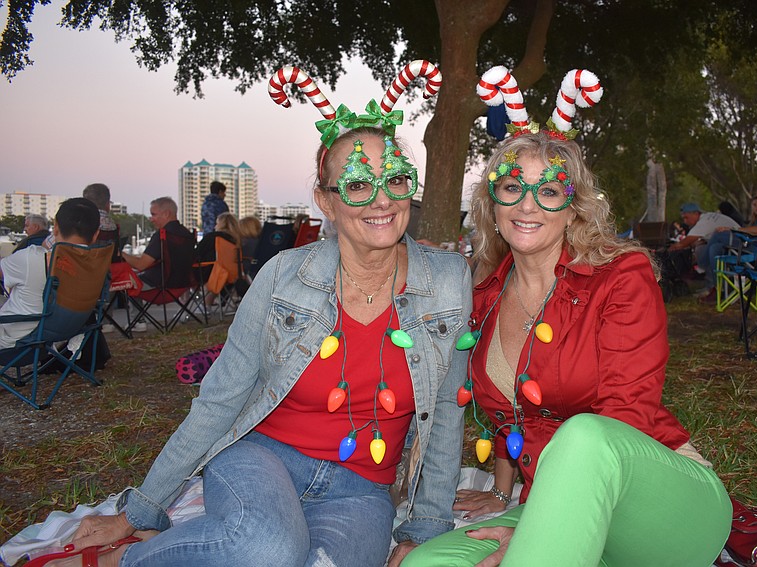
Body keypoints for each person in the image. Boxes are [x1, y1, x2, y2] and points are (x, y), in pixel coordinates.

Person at [56, 65, 470, 567]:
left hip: (361, 489)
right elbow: (221, 397)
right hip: (263, 456)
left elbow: (448, 408)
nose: (382, 199)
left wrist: (425, 522)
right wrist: (140, 508)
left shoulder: (448, 281)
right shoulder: (283, 276)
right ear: (325, 201)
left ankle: (213, 547)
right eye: (358, 184)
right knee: (269, 550)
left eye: (397, 179)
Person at [403, 69, 731, 567]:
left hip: (659, 508)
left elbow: (625, 416)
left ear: (574, 208)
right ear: (492, 203)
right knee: (425, 563)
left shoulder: (622, 275)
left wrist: (539, 530)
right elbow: (513, 410)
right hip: (547, 502)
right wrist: (503, 489)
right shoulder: (484, 294)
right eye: (512, 187)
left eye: (550, 191)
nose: (528, 204)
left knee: (583, 435)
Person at [0, 199, 100, 349]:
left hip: (17, 341)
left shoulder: (30, 257)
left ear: (56, 228)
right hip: (64, 335)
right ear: (96, 234)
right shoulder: (97, 263)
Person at [701, 180, 757, 303]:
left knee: (719, 234)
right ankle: (718, 288)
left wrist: (734, 229)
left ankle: (701, 265)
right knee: (715, 248)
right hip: (756, 244)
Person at [121, 197, 194, 290]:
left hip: (158, 286)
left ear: (166, 214)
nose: (151, 219)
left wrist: (121, 254)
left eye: (153, 214)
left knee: (118, 283)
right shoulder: (187, 234)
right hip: (183, 285)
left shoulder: (163, 235)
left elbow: (141, 265)